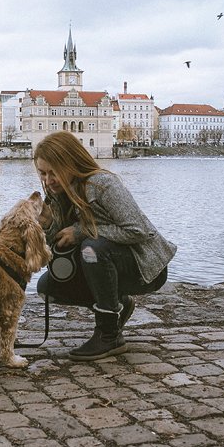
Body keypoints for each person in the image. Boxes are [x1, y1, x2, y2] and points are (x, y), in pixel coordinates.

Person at [34, 131, 177, 361]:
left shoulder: (101, 184)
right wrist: (49, 227)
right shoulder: (57, 194)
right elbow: (61, 246)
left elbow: (138, 230)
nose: (48, 181)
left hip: (145, 269)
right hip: (105, 261)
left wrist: (80, 232)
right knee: (48, 287)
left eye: (54, 173)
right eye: (43, 173)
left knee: (92, 248)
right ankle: (118, 304)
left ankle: (109, 335)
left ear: (71, 164)